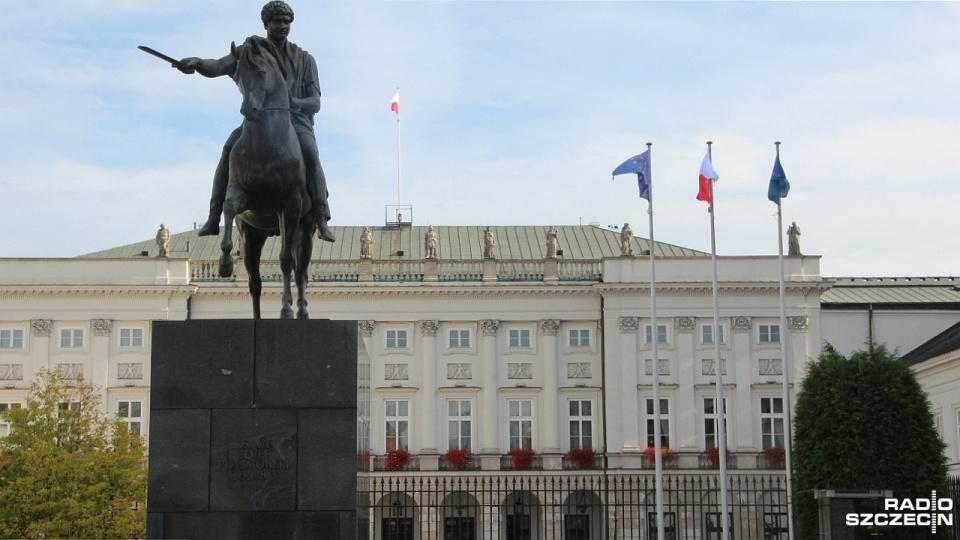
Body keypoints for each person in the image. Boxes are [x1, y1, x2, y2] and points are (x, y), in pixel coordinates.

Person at [176, 1, 335, 243]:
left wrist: (293, 102)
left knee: (311, 152)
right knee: (229, 149)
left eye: (286, 21)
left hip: (296, 122)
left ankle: (321, 215)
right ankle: (213, 215)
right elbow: (218, 66)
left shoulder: (305, 59)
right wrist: (196, 63)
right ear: (266, 24)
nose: (282, 25)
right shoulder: (250, 52)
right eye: (277, 21)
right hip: (257, 120)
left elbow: (315, 102)